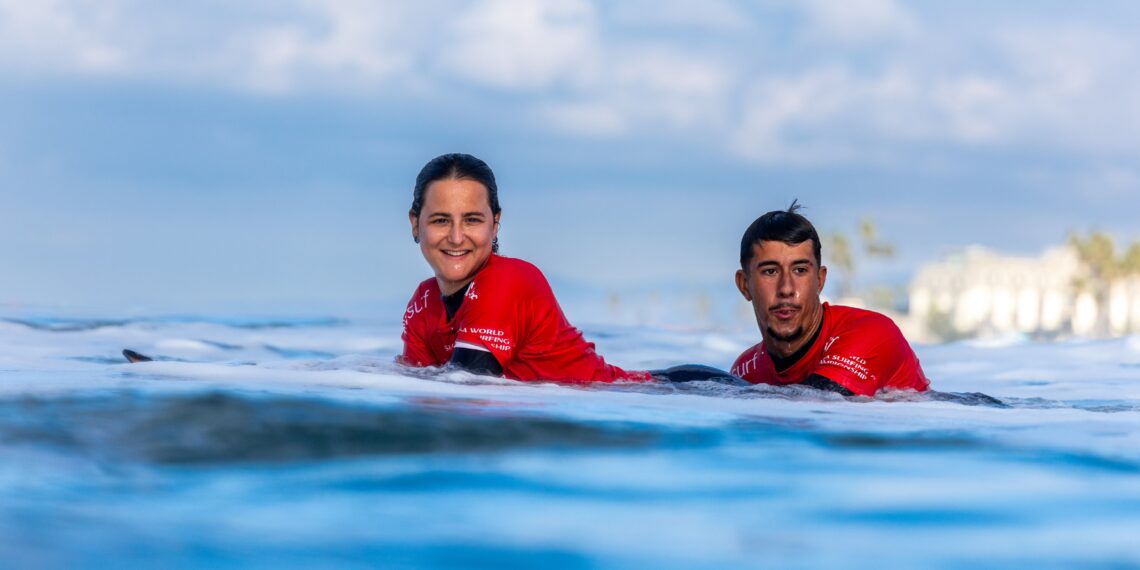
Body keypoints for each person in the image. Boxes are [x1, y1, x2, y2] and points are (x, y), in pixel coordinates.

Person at [399, 153, 730, 385]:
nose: (456, 237)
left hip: (667, 393)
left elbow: (464, 386)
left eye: (472, 220)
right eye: (441, 220)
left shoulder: (506, 280)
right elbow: (421, 386)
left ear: (495, 224)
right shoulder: (424, 301)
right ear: (416, 224)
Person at [730, 202, 930, 397]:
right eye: (770, 271)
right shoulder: (746, 370)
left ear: (819, 280)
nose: (786, 289)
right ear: (744, 285)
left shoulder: (871, 332)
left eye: (800, 270)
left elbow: (814, 405)